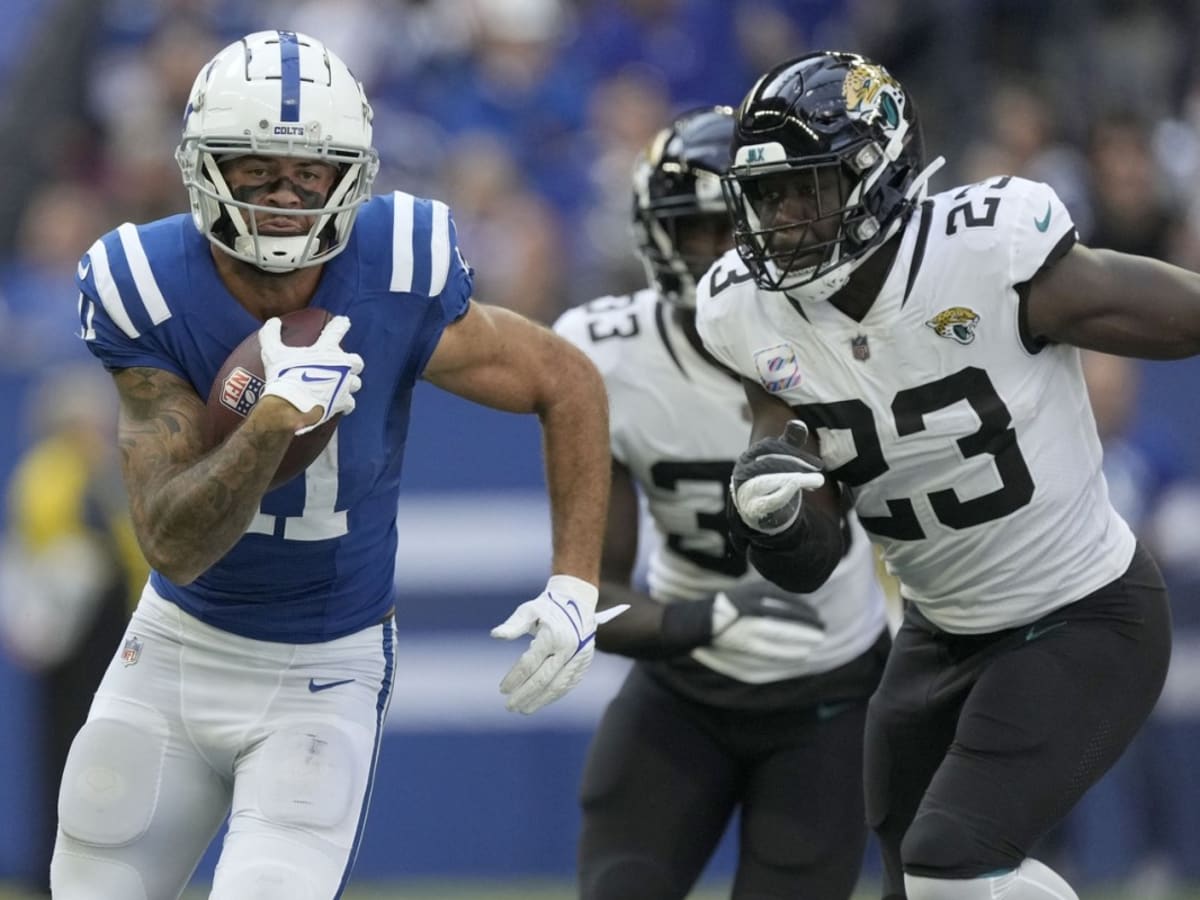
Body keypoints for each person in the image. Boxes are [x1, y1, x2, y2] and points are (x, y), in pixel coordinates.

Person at [53, 30, 613, 900]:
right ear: (205, 167)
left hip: (325, 667)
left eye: (308, 171)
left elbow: (567, 380)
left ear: (351, 174)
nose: (283, 194)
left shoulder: (398, 264)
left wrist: (576, 583)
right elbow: (172, 540)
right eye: (255, 168)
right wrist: (271, 421)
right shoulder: (146, 283)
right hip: (174, 646)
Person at [694, 50, 1196, 900]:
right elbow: (810, 550)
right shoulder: (747, 314)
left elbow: (1182, 315)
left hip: (1083, 613)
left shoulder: (988, 252)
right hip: (939, 636)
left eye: (803, 189)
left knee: (952, 861)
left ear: (876, 175)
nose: (779, 219)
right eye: (765, 195)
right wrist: (772, 512)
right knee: (917, 884)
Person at [554, 107, 891, 900]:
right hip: (683, 687)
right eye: (695, 230)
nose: (717, 258)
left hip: (830, 686)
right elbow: (587, 587)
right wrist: (700, 622)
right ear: (652, 236)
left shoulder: (838, 333)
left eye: (734, 228)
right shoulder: (601, 353)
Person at [0, 367, 148, 898]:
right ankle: (58, 869)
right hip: (71, 638)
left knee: (101, 756)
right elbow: (54, 554)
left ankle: (93, 867)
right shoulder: (52, 472)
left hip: (107, 634)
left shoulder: (99, 471)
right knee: (68, 754)